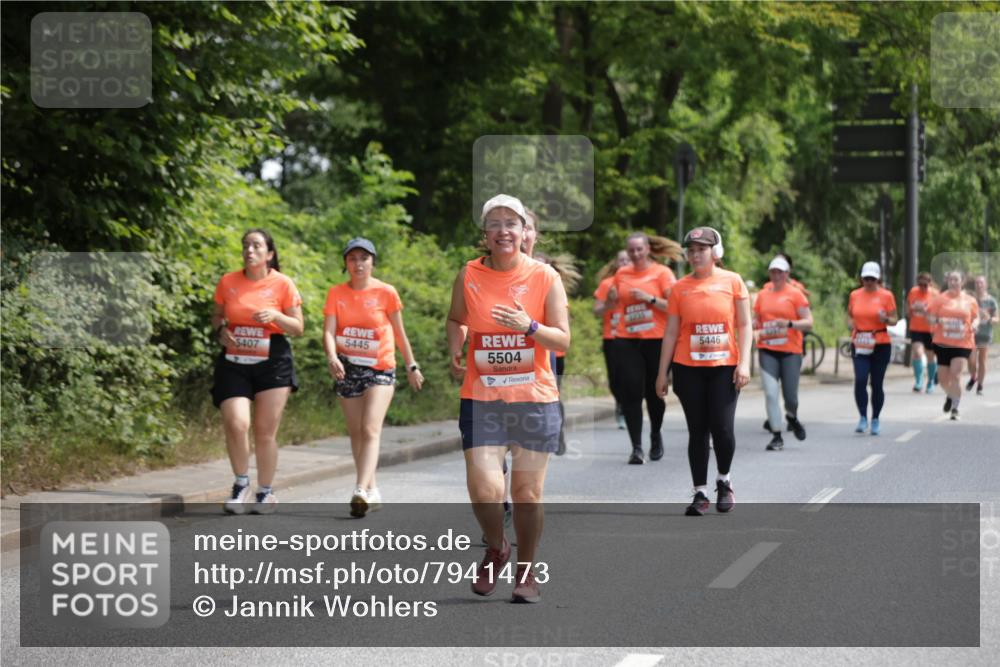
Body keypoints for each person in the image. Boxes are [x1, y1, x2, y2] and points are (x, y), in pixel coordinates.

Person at [446, 194, 570, 603]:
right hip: (482, 397)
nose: (503, 231)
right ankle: (497, 546)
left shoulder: (545, 277)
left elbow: (563, 340)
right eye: (495, 223)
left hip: (533, 398)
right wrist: (457, 347)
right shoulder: (469, 274)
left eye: (511, 223)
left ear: (523, 231)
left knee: (527, 495)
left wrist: (529, 325)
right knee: (484, 490)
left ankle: (527, 571)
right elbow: (456, 319)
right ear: (485, 234)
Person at [323, 238, 424, 517]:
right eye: (352, 258)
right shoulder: (336, 293)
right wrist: (331, 357)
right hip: (347, 368)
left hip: (380, 368)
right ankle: (372, 488)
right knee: (356, 432)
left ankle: (359, 488)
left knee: (369, 428)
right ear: (346, 264)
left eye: (364, 258)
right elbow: (329, 331)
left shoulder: (386, 292)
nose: (358, 264)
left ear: (372, 262)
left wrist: (411, 365)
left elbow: (400, 334)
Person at [655, 227, 751, 515]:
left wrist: (744, 363)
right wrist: (662, 373)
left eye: (702, 249)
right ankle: (700, 492)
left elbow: (745, 325)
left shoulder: (733, 282)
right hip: (688, 368)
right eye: (692, 250)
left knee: (722, 428)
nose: (696, 255)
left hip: (724, 368)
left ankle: (724, 481)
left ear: (715, 252)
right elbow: (671, 333)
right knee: (697, 431)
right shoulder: (680, 288)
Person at [212, 229, 304, 515]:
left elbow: (299, 328)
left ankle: (265, 491)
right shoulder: (228, 281)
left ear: (269, 254)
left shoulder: (282, 284)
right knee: (237, 423)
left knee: (265, 432)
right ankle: (241, 485)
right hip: (235, 357)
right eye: (245, 246)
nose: (249, 250)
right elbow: (216, 315)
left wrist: (276, 317)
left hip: (272, 359)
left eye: (256, 245)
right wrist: (220, 330)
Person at [609, 233, 681, 464]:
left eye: (639, 249)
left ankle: (655, 434)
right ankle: (637, 447)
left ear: (648, 249)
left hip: (655, 339)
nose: (635, 254)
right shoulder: (621, 273)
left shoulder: (662, 273)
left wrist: (649, 299)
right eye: (631, 250)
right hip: (626, 338)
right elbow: (615, 303)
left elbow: (674, 306)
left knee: (654, 393)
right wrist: (611, 300)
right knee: (631, 392)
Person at [753, 255, 813, 451]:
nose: (776, 275)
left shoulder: (796, 294)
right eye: (773, 271)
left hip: (790, 351)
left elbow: (808, 322)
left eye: (780, 272)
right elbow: (756, 319)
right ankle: (777, 435)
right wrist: (754, 327)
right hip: (767, 350)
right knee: (771, 394)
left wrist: (788, 324)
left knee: (791, 397)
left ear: (787, 274)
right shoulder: (763, 294)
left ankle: (792, 417)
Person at [846, 261, 898, 436]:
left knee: (876, 383)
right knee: (860, 379)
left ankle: (875, 418)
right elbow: (850, 316)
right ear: (861, 278)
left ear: (878, 279)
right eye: (866, 278)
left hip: (880, 342)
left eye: (872, 279)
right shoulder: (854, 295)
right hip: (860, 341)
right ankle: (862, 417)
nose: (869, 282)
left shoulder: (886, 296)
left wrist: (886, 319)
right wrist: (851, 325)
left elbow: (895, 319)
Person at [928, 270, 979, 420]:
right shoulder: (939, 299)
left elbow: (976, 318)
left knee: (956, 375)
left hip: (963, 342)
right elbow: (930, 319)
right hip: (943, 342)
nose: (953, 282)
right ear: (947, 282)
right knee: (943, 379)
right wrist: (939, 321)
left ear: (962, 282)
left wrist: (975, 325)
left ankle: (955, 407)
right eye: (951, 280)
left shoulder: (970, 300)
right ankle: (950, 395)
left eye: (956, 280)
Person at [593, 250, 631, 429]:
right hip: (612, 337)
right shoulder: (607, 284)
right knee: (615, 379)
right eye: (621, 259)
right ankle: (621, 405)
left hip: (634, 337)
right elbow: (596, 311)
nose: (624, 262)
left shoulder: (640, 281)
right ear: (615, 263)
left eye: (627, 260)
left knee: (633, 376)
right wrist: (609, 302)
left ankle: (630, 407)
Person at [907, 272, 940, 393]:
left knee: (931, 357)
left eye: (925, 285)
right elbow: (908, 309)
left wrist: (927, 312)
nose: (922, 287)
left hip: (931, 330)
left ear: (930, 284)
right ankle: (918, 380)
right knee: (917, 352)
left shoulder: (935, 294)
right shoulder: (913, 292)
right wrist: (912, 310)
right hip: (916, 328)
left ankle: (930, 381)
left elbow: (940, 313)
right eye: (920, 284)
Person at [966, 275, 998, 395]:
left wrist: (989, 318)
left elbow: (997, 318)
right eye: (977, 283)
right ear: (975, 285)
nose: (979, 285)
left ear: (986, 285)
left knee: (982, 360)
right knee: (971, 360)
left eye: (981, 283)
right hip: (971, 334)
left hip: (985, 334)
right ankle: (973, 377)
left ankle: (980, 385)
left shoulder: (991, 301)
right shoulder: (970, 299)